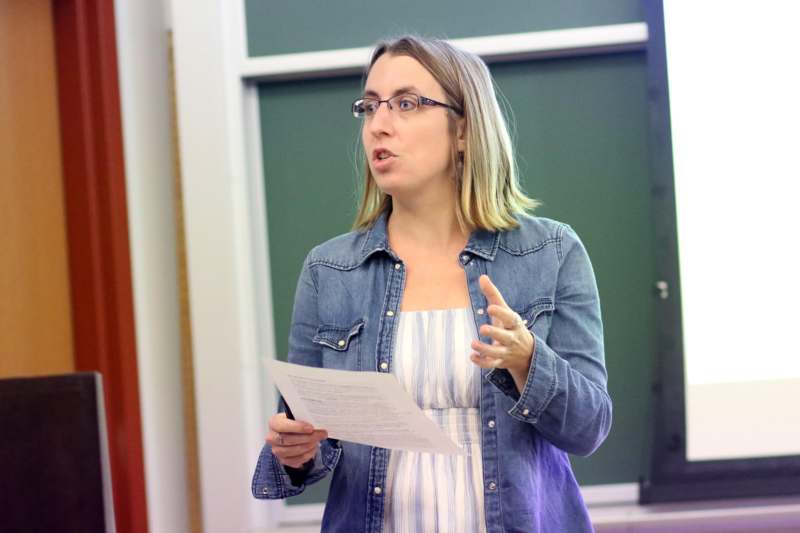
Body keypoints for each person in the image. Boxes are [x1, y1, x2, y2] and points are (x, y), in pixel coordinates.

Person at [252, 35, 611, 533]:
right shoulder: (328, 270)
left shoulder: (551, 252)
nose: (379, 124)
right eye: (370, 105)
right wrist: (295, 452)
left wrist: (530, 362)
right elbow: (307, 443)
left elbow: (589, 428)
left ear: (463, 129)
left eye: (406, 103)